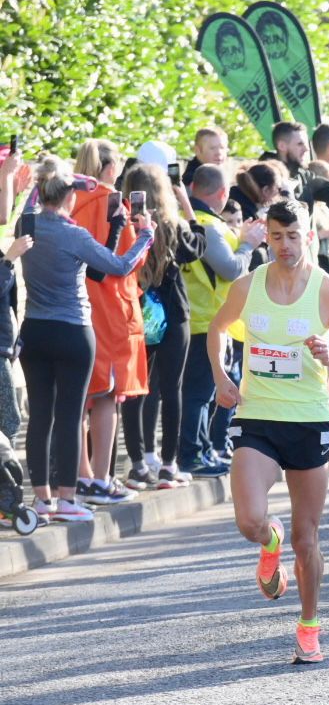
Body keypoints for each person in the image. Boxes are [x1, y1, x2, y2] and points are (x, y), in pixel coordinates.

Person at [207, 199, 329, 664]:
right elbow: (218, 329)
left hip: (307, 420)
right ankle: (268, 541)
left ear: (310, 235)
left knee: (307, 539)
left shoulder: (326, 292)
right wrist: (223, 377)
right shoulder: (248, 286)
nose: (285, 245)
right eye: (277, 236)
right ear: (267, 236)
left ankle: (308, 624)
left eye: (294, 235)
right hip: (257, 417)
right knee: (248, 520)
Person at [19, 158, 152, 523]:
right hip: (74, 331)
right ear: (69, 197)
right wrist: (145, 235)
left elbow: (35, 195)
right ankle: (67, 498)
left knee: (40, 417)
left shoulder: (26, 223)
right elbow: (120, 266)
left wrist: (62, 179)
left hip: (34, 329)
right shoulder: (74, 234)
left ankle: (42, 500)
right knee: (69, 416)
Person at [71, 139, 147, 505]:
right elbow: (129, 259)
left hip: (75, 303)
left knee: (77, 398)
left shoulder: (69, 198)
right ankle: (100, 477)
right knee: (107, 398)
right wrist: (146, 233)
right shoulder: (113, 201)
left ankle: (80, 476)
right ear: (109, 167)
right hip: (111, 308)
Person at [121, 163, 205, 490]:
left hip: (137, 313)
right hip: (174, 313)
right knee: (172, 389)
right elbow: (197, 248)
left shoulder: (125, 225)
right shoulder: (172, 225)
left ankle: (140, 463)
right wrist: (188, 206)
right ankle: (170, 466)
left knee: (137, 389)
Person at [180, 164, 264, 477]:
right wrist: (247, 245)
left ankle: (200, 451)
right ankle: (194, 454)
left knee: (200, 394)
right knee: (199, 394)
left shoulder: (193, 220)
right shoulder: (209, 226)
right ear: (222, 193)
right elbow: (230, 269)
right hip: (207, 321)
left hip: (200, 319)